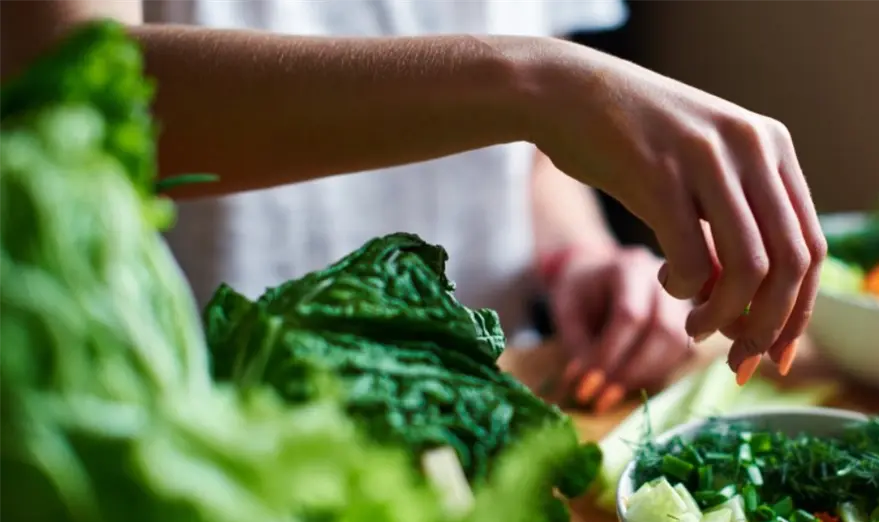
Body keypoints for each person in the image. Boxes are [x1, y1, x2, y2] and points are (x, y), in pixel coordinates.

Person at [1, 0, 827, 407]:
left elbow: (530, 161)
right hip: (189, 414)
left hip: (485, 408)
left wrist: (576, 255)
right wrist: (535, 83)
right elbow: (57, 89)